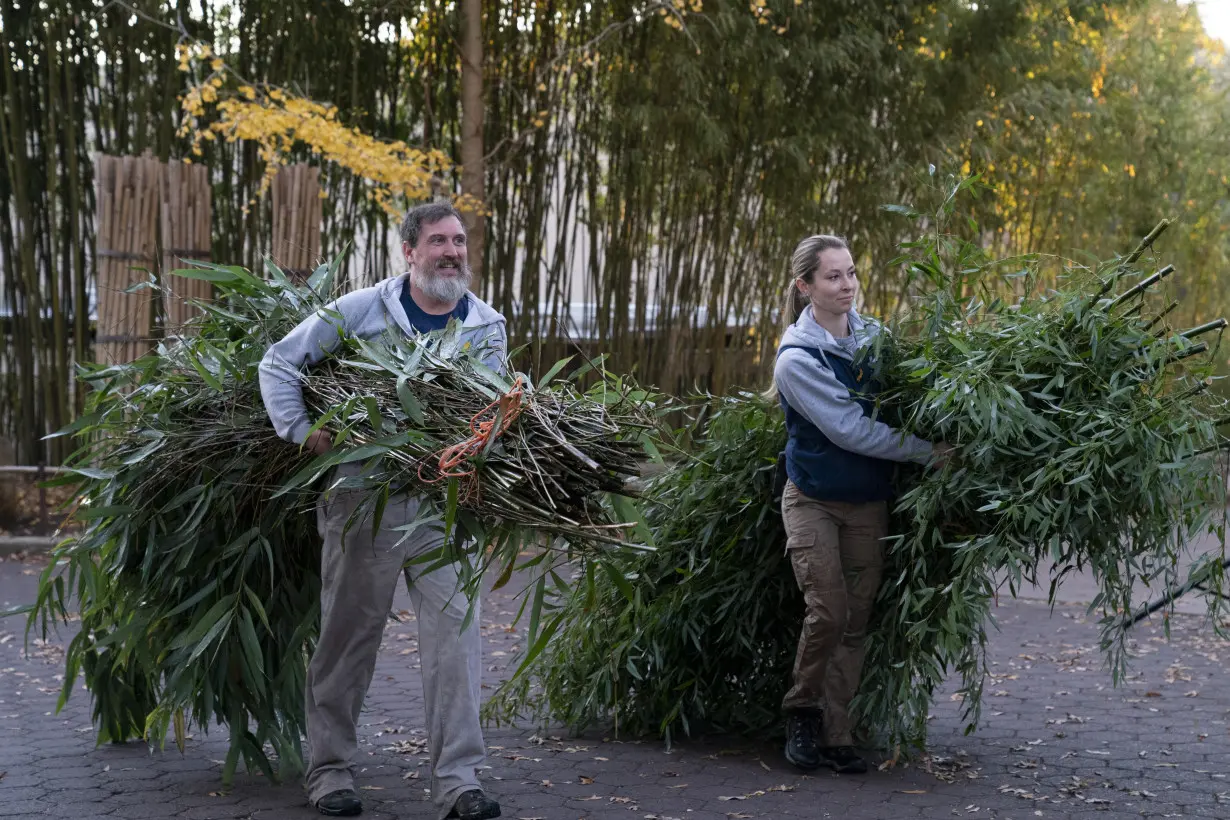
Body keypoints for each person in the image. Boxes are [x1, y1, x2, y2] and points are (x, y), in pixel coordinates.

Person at [259, 201, 505, 820]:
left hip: (447, 509)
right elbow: (278, 362)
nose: (453, 251)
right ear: (409, 252)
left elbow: (499, 410)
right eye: (439, 241)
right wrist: (302, 430)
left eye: (460, 240)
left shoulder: (487, 325)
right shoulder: (360, 310)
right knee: (348, 638)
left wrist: (484, 451)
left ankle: (458, 780)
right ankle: (331, 771)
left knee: (456, 642)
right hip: (364, 502)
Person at [770, 234, 953, 775]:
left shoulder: (875, 336)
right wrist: (930, 454)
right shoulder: (796, 359)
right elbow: (851, 430)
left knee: (858, 619)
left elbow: (909, 393)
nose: (847, 285)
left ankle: (838, 730)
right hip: (814, 500)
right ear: (805, 287)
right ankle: (802, 711)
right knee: (829, 611)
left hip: (869, 500)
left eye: (851, 273)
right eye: (833, 276)